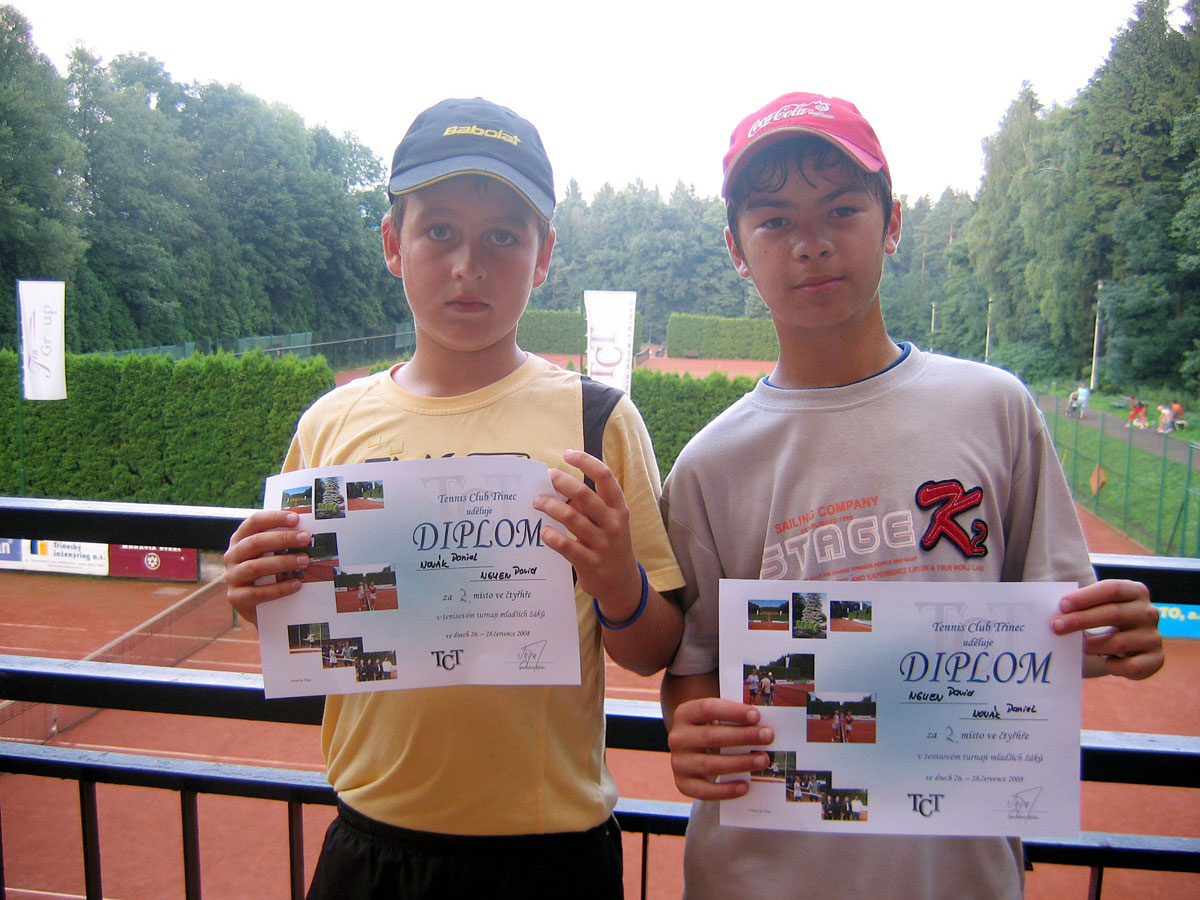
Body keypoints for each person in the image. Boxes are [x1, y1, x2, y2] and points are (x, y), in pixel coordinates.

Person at [659, 91, 1164, 900]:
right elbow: (694, 669)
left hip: (958, 878)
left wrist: (1113, 635)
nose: (812, 243)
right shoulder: (708, 466)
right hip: (757, 880)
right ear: (736, 249)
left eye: (842, 209)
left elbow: (1055, 634)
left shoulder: (995, 408)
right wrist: (687, 729)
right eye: (775, 221)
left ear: (893, 223)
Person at [222, 97, 684, 899]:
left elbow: (652, 649)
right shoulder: (330, 425)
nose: (469, 263)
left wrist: (620, 584)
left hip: (550, 858)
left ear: (543, 257)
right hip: (371, 847)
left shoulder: (598, 420)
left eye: (503, 236)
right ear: (392, 244)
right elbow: (290, 617)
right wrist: (251, 590)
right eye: (439, 231)